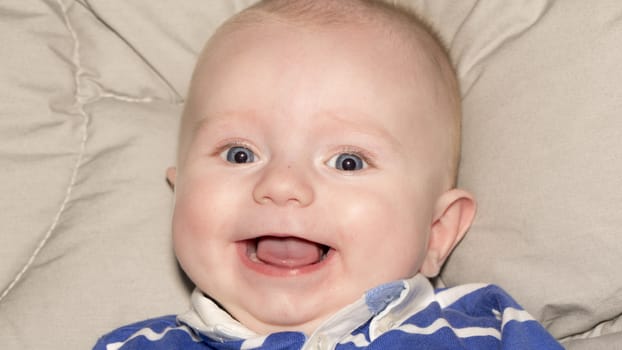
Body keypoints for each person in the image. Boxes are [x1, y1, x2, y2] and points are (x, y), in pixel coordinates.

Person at [95, 0, 562, 348]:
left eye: (348, 162)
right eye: (240, 154)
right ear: (179, 195)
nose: (281, 185)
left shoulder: (486, 329)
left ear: (436, 232)